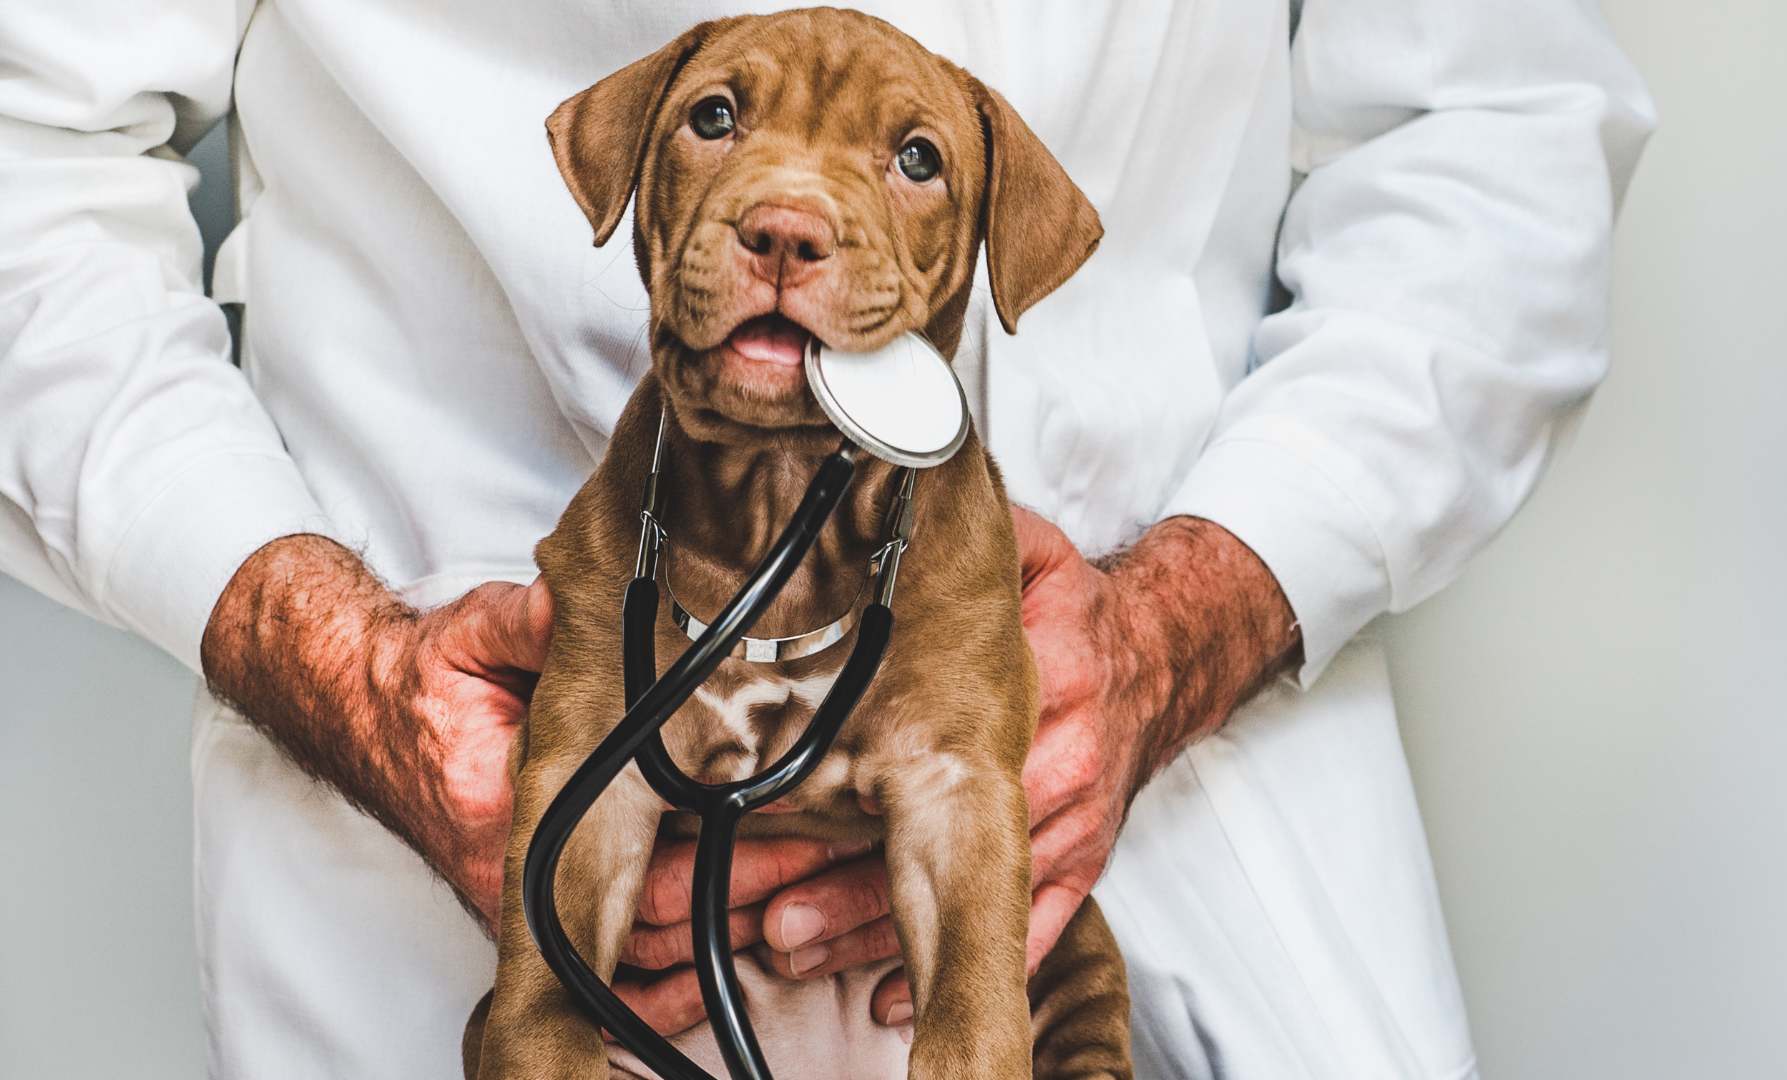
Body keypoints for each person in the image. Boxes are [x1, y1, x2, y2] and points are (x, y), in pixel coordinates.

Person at [0, 1, 1652, 1077]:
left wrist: (1182, 626)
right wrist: (336, 662)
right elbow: (30, 150)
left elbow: (1493, 141)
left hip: (1175, 877)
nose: (790, 213)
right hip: (430, 866)